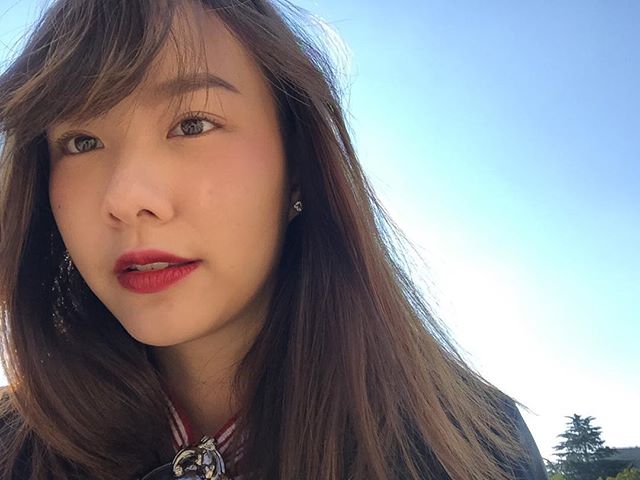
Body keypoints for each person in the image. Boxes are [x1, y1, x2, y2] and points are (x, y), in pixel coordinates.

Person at [0, 0, 548, 479]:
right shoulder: (12, 448)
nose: (125, 197)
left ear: (298, 166)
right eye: (82, 141)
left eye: (193, 124)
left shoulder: (474, 444)